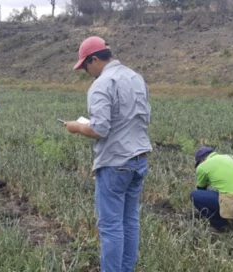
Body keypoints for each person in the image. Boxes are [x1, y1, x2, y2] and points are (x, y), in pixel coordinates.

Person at [65, 36, 152, 272]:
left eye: (85, 65)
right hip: (139, 159)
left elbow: (99, 129)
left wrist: (76, 127)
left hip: (115, 163)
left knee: (111, 226)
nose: (86, 71)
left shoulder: (102, 84)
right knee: (130, 221)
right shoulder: (136, 78)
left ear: (95, 59)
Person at [191, 146, 233, 235]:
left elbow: (201, 189)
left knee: (195, 195)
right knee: (227, 191)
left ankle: (220, 226)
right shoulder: (232, 158)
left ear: (201, 160)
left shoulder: (202, 166)